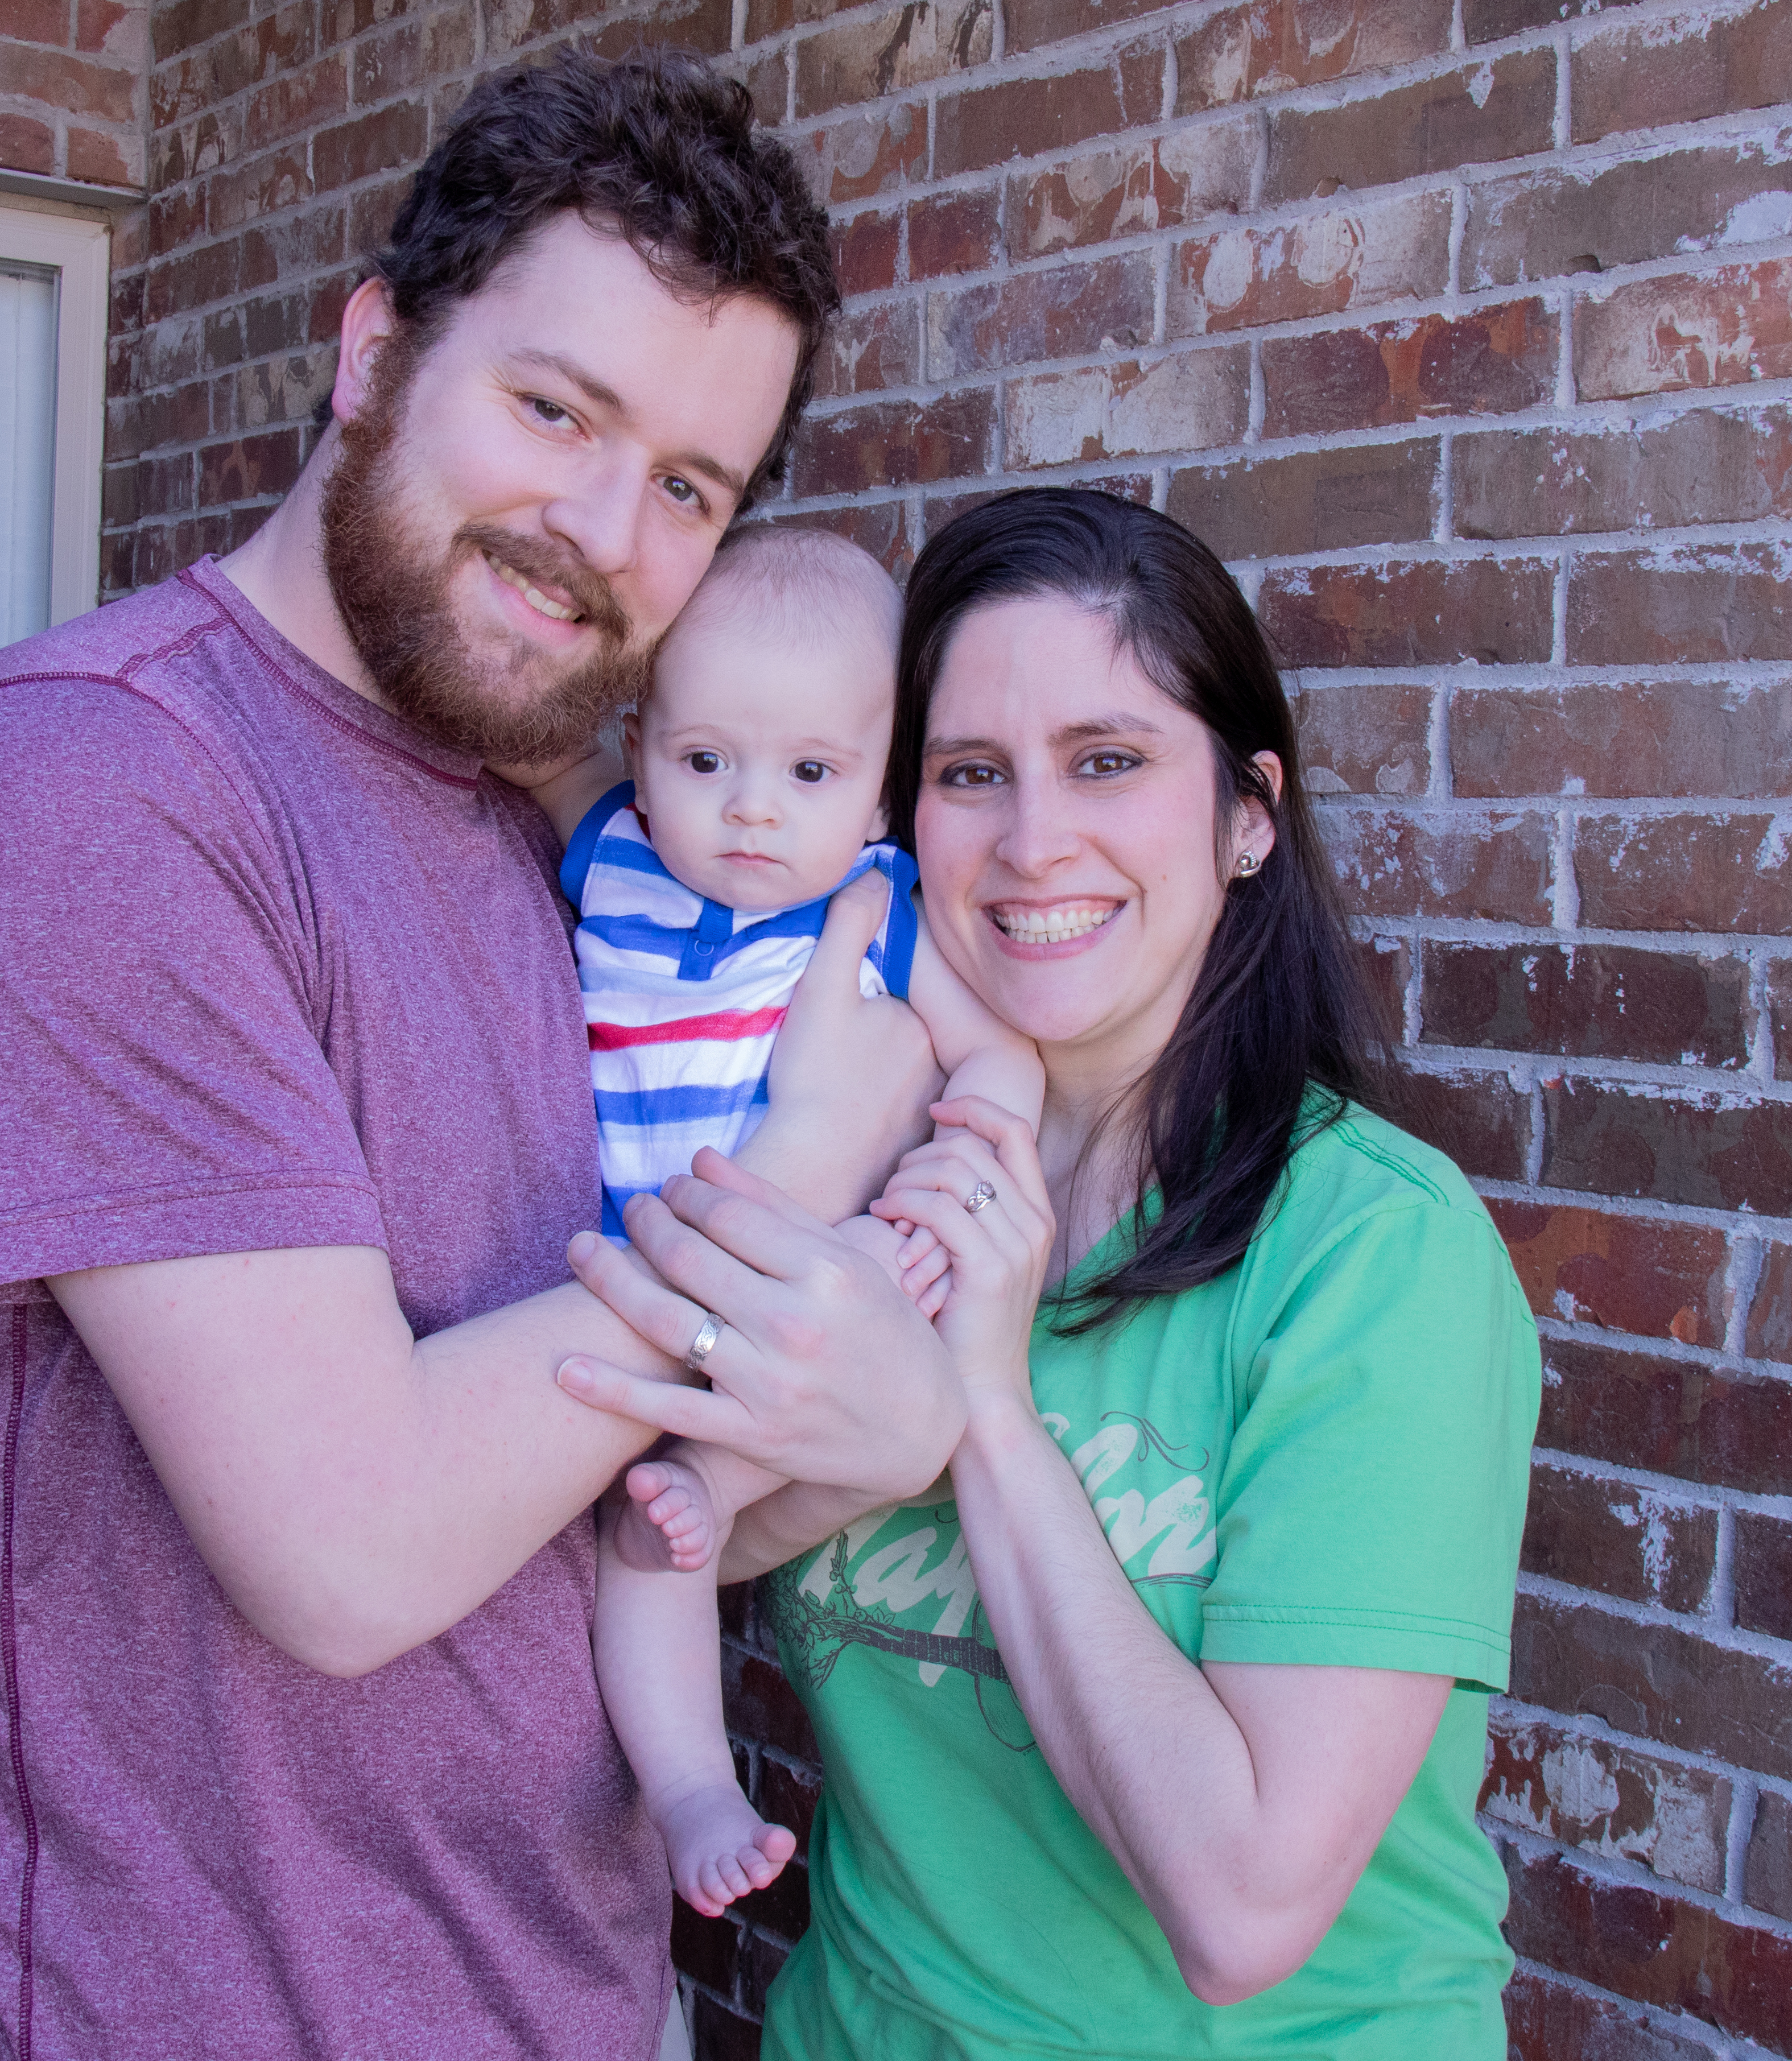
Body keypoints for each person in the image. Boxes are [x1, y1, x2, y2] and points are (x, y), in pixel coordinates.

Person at [0, 49, 964, 2058]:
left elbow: (591, 1484)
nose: (602, 529)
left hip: (559, 1988)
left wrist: (874, 1418)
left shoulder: (552, 844)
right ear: (371, 353)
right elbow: (350, 1548)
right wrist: (799, 1163)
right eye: (553, 407)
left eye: (689, 485)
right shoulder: (87, 787)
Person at [558, 488, 1539, 2059]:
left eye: (1108, 761)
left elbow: (1242, 1914)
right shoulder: (862, 1201)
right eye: (969, 774)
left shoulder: (1374, 1257)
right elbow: (662, 1541)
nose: (1032, 842)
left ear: (1248, 813)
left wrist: (988, 1413)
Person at [520, 525, 1040, 1919]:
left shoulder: (874, 912)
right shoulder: (610, 857)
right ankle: (691, 1790)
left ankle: (723, 1491)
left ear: (876, 788)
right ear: (642, 752)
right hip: (635, 1288)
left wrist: (966, 1156)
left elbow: (999, 1057)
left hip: (795, 1297)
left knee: (671, 1522)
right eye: (707, 762)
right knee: (647, 1546)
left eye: (808, 774)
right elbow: (525, 747)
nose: (753, 810)